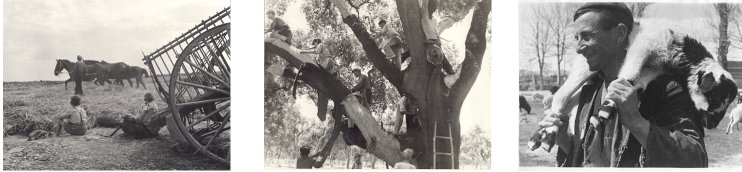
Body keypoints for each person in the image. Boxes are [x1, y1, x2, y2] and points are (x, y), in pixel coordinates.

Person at [538, 2, 709, 167]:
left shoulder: (665, 89)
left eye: (587, 36)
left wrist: (635, 121)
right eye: (577, 38)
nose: (577, 48)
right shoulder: (590, 90)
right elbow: (588, 158)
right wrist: (564, 140)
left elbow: (695, 160)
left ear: (619, 33)